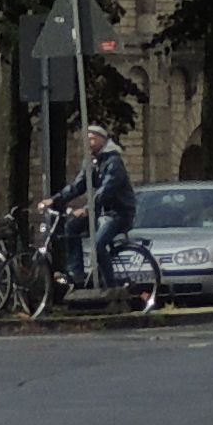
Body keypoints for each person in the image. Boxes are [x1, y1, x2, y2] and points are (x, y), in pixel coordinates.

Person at [61, 122, 134, 296]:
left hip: (118, 213)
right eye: (87, 140)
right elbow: (78, 186)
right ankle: (77, 274)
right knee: (71, 227)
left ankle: (111, 287)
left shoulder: (113, 162)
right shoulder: (92, 162)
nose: (89, 144)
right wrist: (55, 200)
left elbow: (107, 190)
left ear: (102, 140)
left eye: (92, 140)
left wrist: (87, 208)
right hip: (100, 212)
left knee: (98, 246)